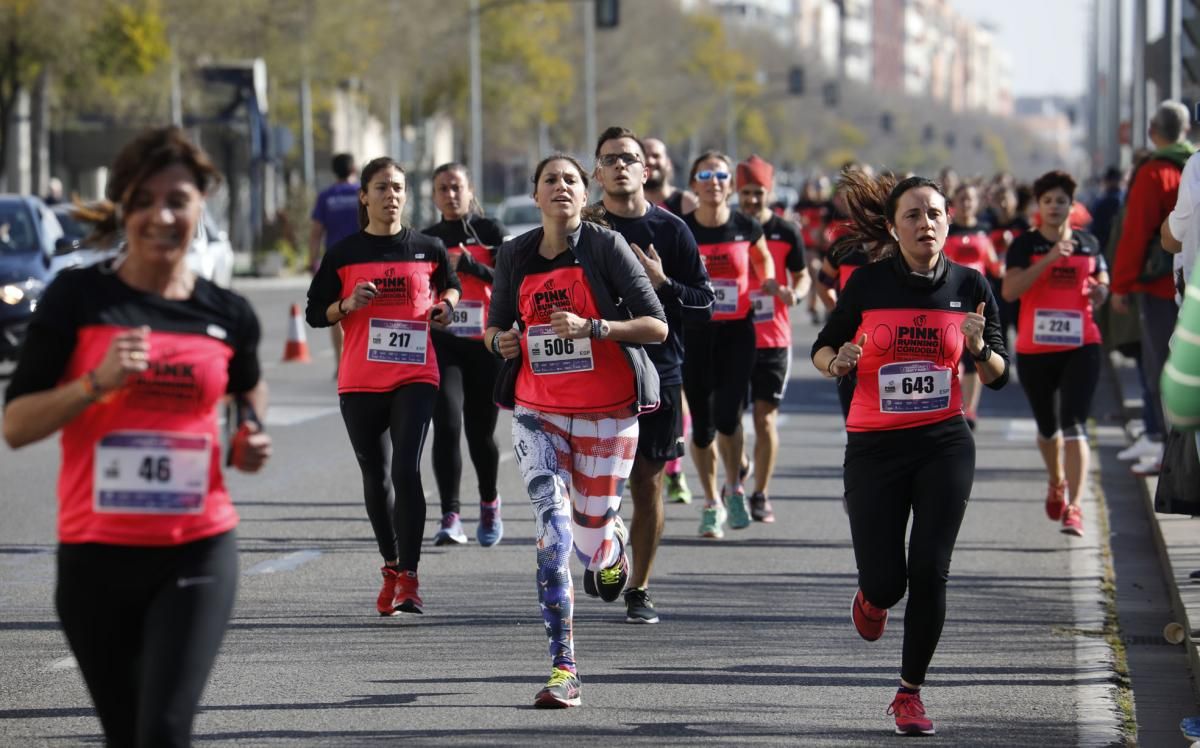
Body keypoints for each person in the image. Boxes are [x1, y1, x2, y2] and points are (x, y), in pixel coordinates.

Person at [2, 126, 272, 747]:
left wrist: (249, 435)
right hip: (95, 556)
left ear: (202, 206)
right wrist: (95, 383)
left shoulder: (228, 313)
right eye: (145, 200)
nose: (162, 215)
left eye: (178, 199)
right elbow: (15, 427)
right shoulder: (80, 298)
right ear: (124, 207)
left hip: (197, 547)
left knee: (166, 730)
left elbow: (246, 388)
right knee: (126, 737)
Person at [811, 171, 1008, 736]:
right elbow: (823, 347)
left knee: (930, 569)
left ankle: (909, 692)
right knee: (887, 581)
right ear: (894, 230)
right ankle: (873, 599)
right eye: (914, 216)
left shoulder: (971, 285)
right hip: (874, 447)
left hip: (943, 442)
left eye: (935, 214)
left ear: (949, 222)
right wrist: (837, 363)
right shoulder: (869, 285)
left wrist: (977, 350)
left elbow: (998, 374)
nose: (926, 223)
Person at [485, 153, 667, 707]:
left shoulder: (606, 247)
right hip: (537, 411)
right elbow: (493, 327)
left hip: (608, 412)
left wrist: (594, 327)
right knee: (554, 536)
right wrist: (502, 342)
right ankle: (564, 668)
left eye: (570, 180)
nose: (561, 187)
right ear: (536, 195)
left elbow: (656, 325)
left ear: (583, 196)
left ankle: (610, 551)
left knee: (589, 540)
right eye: (550, 180)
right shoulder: (514, 255)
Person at [305, 157, 462, 616]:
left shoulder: (428, 247)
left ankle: (410, 577)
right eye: (381, 188)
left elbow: (449, 287)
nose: (391, 195)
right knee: (376, 478)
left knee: (405, 470)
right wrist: (346, 303)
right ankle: (391, 567)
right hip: (360, 380)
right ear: (364, 196)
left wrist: (446, 308)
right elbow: (316, 312)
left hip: (415, 374)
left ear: (405, 196)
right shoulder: (344, 253)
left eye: (397, 188)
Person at [588, 127, 714, 624]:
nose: (621, 166)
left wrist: (664, 284)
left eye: (629, 159)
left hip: (658, 373)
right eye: (610, 159)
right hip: (593, 371)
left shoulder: (673, 231)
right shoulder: (584, 230)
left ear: (647, 170)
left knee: (648, 483)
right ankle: (607, 540)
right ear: (596, 173)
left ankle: (639, 587)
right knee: (594, 486)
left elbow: (705, 303)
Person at [1001, 171, 1109, 536]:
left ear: (1071, 206)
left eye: (1061, 201)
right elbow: (1010, 291)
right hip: (1035, 348)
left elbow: (1103, 283)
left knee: (1074, 423)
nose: (1054, 207)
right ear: (1038, 206)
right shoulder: (1023, 244)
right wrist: (1048, 259)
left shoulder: (1089, 243)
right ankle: (1056, 481)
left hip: (1082, 345)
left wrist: (1100, 293)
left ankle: (1075, 507)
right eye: (1047, 201)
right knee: (1048, 428)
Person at [681, 151, 778, 538]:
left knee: (728, 416)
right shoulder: (681, 229)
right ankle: (710, 500)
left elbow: (764, 260)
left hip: (738, 331)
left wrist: (766, 279)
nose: (714, 181)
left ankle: (735, 488)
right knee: (702, 428)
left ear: (730, 184)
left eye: (721, 175)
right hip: (695, 333)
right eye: (705, 174)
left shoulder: (746, 226)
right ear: (694, 184)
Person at [421, 162, 508, 548]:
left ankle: (489, 501)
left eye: (456, 187)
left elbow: (513, 281)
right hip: (445, 341)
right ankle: (450, 516)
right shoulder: (427, 238)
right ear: (434, 195)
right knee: (447, 425)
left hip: (485, 343)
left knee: (479, 434)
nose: (450, 195)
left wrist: (475, 267)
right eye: (443, 189)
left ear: (470, 190)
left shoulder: (490, 232)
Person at [1110, 101, 1197, 476]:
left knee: (1161, 367)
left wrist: (1121, 284)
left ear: (1152, 130)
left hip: (1166, 288)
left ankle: (1165, 447)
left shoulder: (1158, 172)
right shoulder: (1186, 163)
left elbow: (1139, 233)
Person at [736, 155, 809, 521]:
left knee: (765, 419)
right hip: (731, 335)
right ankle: (741, 461)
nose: (752, 200)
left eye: (758, 193)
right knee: (728, 421)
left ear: (769, 191)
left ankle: (761, 494)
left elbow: (803, 275)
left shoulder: (786, 231)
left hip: (773, 338)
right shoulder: (728, 227)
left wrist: (794, 293)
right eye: (746, 193)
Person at [944, 183, 1002, 430]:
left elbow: (993, 264)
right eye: (962, 198)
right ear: (954, 203)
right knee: (952, 356)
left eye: (970, 198)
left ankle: (970, 411)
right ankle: (951, 407)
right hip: (950, 299)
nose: (966, 203)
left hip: (977, 301)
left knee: (973, 354)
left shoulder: (984, 229)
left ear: (977, 203)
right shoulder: (947, 230)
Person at [310, 153, 361, 372]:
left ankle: (341, 364)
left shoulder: (326, 197)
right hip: (363, 257)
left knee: (336, 310)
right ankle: (362, 361)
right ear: (354, 168)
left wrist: (312, 261)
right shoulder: (363, 193)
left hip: (334, 261)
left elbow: (316, 232)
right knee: (364, 309)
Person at [643, 137, 697, 217]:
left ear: (669, 163)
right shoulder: (627, 204)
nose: (650, 161)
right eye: (644, 156)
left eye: (656, 156)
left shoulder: (688, 203)